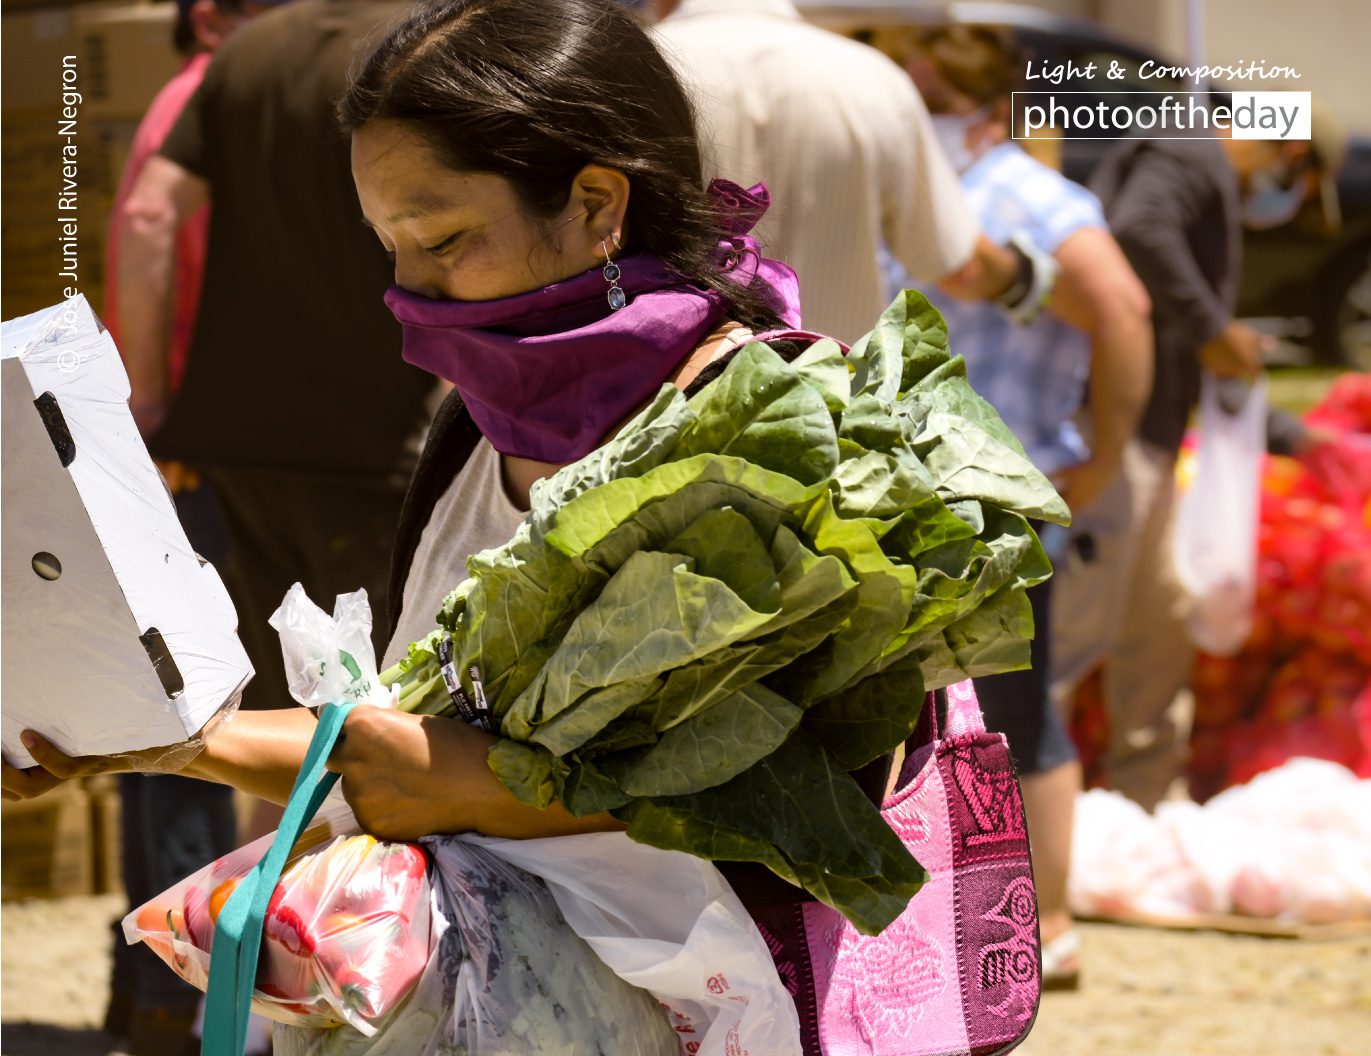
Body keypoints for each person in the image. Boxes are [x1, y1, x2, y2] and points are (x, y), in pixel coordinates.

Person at [6, 0, 1025, 1049]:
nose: (410, 291)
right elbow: (398, 750)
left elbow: (813, 789)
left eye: (444, 240)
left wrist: (479, 787)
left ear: (594, 201)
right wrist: (155, 739)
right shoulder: (471, 435)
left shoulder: (773, 438)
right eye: (390, 249)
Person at [112, 0, 441, 838]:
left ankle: (272, 913)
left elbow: (147, 213)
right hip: (394, 438)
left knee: (279, 719)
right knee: (405, 723)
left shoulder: (247, 55)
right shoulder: (428, 38)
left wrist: (146, 403)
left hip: (245, 442)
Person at [890, 24, 1152, 990]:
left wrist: (1106, 453)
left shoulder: (1033, 198)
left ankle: (1052, 923)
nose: (919, 114)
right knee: (943, 712)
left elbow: (1123, 309)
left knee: (1013, 709)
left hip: (998, 496)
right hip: (920, 493)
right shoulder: (925, 192)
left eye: (934, 97)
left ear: (989, 112)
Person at [1051, 105, 1348, 812]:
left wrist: (1286, 432)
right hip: (1109, 431)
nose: (1279, 203)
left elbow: (1191, 352)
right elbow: (1140, 229)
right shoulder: (1187, 151)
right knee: (1072, 631)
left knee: (1160, 620)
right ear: (1292, 153)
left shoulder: (1195, 163)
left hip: (1149, 433)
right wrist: (1214, 329)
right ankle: (1011, 812)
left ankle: (1149, 799)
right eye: (1302, 189)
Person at [100, 3, 287, 1051]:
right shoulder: (211, 101)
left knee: (170, 708)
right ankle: (179, 990)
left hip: (182, 447)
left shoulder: (202, 101)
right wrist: (153, 402)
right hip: (196, 448)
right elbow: (145, 223)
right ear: (213, 16)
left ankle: (156, 988)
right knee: (196, 714)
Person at [648, 0, 1081, 346]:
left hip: (671, 409)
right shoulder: (874, 81)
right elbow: (958, 266)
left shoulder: (638, 71)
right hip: (831, 408)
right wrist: (1022, 278)